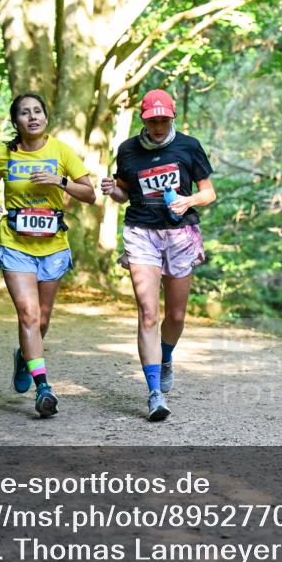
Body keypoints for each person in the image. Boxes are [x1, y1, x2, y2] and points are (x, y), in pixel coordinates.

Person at [101, 89, 216, 421]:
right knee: (148, 314)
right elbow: (124, 193)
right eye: (153, 120)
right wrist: (114, 191)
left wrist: (187, 200)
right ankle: (154, 394)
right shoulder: (128, 150)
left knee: (176, 316)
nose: (158, 126)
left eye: (164, 119)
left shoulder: (189, 147)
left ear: (173, 117)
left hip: (180, 234)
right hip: (141, 233)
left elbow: (208, 192)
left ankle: (166, 357)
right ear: (144, 118)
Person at [0, 93, 95, 418]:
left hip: (53, 247)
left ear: (45, 117)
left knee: (42, 320)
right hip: (15, 244)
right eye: (24, 113)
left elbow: (90, 194)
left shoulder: (60, 151)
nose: (32, 117)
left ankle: (24, 357)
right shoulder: (4, 153)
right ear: (15, 121)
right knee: (28, 315)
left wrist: (59, 181)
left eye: (37, 112)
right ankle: (43, 387)